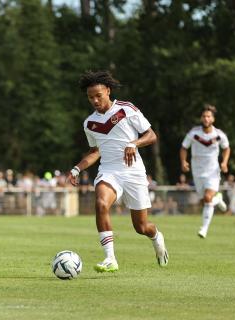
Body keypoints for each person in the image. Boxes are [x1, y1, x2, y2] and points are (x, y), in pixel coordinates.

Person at [67, 70, 168, 272]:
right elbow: (95, 152)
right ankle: (110, 258)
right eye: (90, 97)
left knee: (141, 227)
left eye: (98, 95)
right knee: (101, 203)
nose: (94, 100)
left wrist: (134, 143)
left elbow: (151, 135)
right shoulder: (89, 123)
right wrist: (77, 168)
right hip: (109, 171)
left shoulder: (126, 109)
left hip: (133, 173)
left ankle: (156, 236)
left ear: (108, 91)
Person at [180, 104, 230, 238]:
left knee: (207, 198)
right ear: (201, 118)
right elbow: (184, 147)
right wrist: (183, 161)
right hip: (197, 171)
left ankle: (204, 229)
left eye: (209, 116)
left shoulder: (219, 134)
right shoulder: (194, 133)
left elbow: (226, 148)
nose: (206, 118)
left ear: (213, 119)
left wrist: (224, 162)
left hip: (213, 171)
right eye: (204, 116)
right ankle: (217, 199)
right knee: (204, 201)